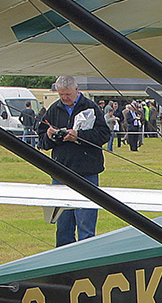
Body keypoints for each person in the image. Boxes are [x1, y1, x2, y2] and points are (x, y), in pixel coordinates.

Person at [36, 75, 108, 246]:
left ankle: (84, 261)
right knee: (63, 224)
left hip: (87, 172)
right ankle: (63, 263)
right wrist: (50, 136)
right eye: (61, 94)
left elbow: (104, 134)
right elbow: (42, 142)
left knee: (85, 223)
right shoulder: (53, 109)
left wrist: (78, 137)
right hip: (61, 172)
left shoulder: (91, 107)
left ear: (77, 90)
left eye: (67, 94)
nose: (64, 98)